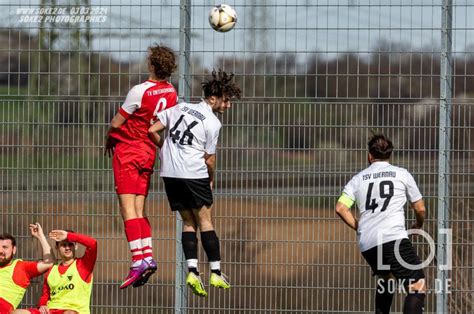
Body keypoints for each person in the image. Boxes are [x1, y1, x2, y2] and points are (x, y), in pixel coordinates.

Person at [148, 69, 241, 297]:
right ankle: (216, 273)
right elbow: (209, 159)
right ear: (213, 98)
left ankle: (192, 271)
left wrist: (166, 149)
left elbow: (151, 129)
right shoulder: (212, 123)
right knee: (205, 220)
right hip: (194, 173)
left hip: (170, 173)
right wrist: (211, 179)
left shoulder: (178, 107)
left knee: (188, 221)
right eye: (226, 100)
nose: (228, 105)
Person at [104, 44, 178, 289]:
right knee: (139, 208)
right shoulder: (171, 91)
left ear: (152, 65)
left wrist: (107, 138)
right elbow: (159, 124)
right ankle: (147, 256)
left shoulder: (140, 91)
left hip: (128, 152)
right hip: (148, 153)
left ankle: (138, 261)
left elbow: (116, 123)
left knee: (128, 210)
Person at [335, 134, 427, 314]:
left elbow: (340, 208)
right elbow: (420, 208)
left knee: (387, 280)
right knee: (417, 284)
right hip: (393, 238)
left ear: (370, 155)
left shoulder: (358, 179)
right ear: (390, 154)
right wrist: (418, 224)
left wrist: (358, 226)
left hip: (368, 244)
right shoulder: (402, 174)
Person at [14, 230, 97, 314]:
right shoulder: (52, 269)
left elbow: (93, 244)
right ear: (57, 247)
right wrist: (42, 305)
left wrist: (68, 235)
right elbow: (45, 293)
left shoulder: (83, 265)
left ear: (76, 246)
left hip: (73, 311)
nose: (67, 248)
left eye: (70, 244)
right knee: (17, 313)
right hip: (51, 310)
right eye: (64, 245)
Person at [0, 223, 54, 313]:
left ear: (14, 250)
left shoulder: (20, 267)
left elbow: (49, 263)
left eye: (5, 247)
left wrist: (40, 236)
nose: (0, 251)